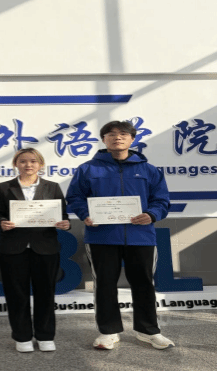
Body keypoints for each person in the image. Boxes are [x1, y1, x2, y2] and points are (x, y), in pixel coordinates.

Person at [66, 120, 175, 350]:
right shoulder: (88, 169)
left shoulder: (149, 170)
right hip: (101, 236)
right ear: (103, 139)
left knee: (144, 284)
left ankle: (148, 331)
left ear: (132, 139)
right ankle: (108, 332)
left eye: (123, 134)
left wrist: (151, 214)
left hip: (141, 236)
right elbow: (75, 197)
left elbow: (161, 200)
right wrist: (85, 214)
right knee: (104, 284)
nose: (118, 137)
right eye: (111, 134)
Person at [0, 148, 70, 353]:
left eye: (33, 161)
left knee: (46, 293)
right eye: (23, 161)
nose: (28, 165)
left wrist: (65, 224)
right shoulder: (4, 187)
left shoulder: (52, 187)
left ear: (41, 164)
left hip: (45, 247)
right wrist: (1, 222)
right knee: (16, 294)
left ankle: (45, 336)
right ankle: (22, 336)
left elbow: (62, 214)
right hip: (13, 247)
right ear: (15, 164)